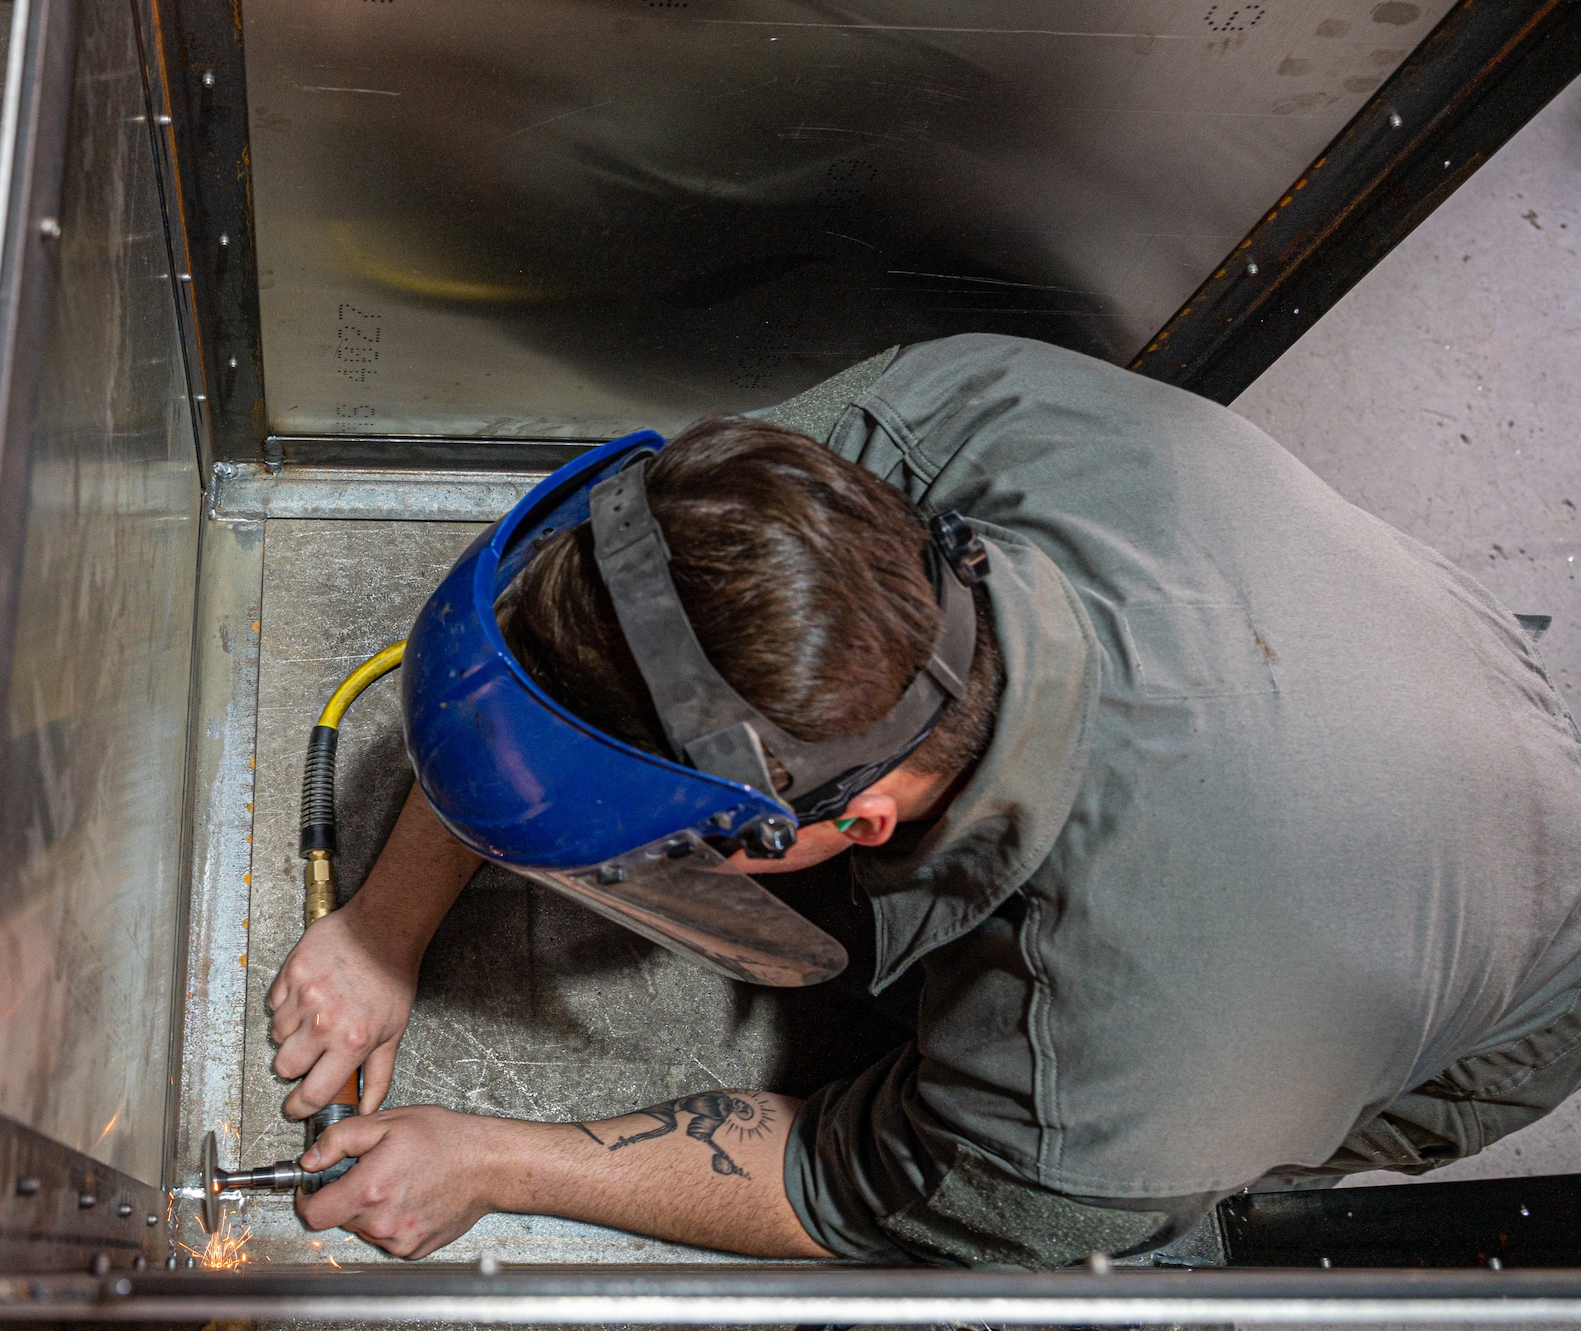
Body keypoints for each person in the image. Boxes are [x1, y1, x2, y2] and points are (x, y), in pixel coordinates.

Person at [262, 334, 1581, 1265]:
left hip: (1496, 952)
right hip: (1394, 668)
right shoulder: (943, 423)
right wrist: (387, 927)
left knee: (1106, 1197)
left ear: (853, 821)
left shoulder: (1124, 1074)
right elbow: (595, 630)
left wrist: (495, 1161)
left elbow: (850, 1187)